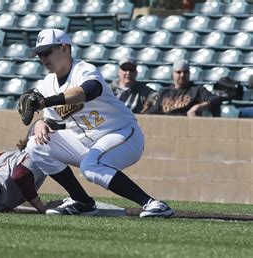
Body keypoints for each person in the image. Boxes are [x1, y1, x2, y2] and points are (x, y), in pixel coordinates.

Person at [23, 28, 174, 218]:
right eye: (39, 54)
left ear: (64, 48)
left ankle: (154, 204)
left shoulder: (83, 69)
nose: (43, 58)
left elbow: (90, 90)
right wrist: (40, 124)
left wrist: (47, 101)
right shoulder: (47, 83)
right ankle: (82, 201)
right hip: (86, 142)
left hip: (122, 134)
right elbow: (53, 121)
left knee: (90, 166)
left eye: (46, 52)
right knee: (36, 146)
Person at [145, 59, 222, 117]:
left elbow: (215, 100)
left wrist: (198, 106)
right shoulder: (164, 93)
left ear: (189, 73)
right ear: (173, 74)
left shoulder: (196, 90)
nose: (182, 75)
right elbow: (153, 112)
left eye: (185, 72)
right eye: (178, 72)